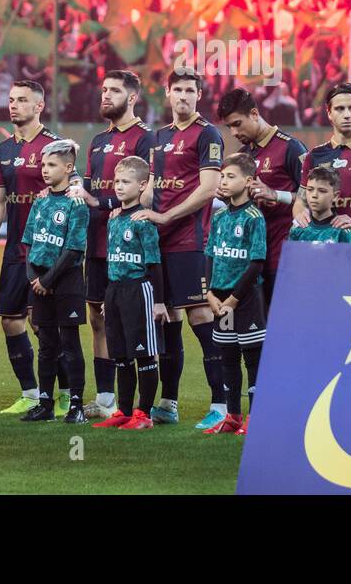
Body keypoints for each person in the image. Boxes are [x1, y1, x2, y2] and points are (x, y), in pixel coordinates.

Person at [133, 67, 226, 429]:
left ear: (199, 96)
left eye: (190, 90)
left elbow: (208, 189)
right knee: (167, 318)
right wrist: (134, 207)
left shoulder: (208, 134)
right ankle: (169, 403)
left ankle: (220, 403)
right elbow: (153, 184)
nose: (184, 96)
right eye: (178, 90)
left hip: (190, 240)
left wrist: (167, 215)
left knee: (200, 317)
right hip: (159, 241)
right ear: (167, 94)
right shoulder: (159, 137)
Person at [71, 70, 156, 420]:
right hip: (97, 244)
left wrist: (101, 205)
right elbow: (89, 190)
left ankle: (157, 403)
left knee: (140, 323)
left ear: (133, 97)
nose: (106, 95)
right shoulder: (97, 141)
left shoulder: (147, 139)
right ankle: (107, 399)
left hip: (130, 247)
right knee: (97, 317)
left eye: (115, 91)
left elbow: (148, 196)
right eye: (104, 89)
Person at [0, 80, 69, 416]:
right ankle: (31, 393)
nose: (14, 105)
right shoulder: (3, 151)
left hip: (45, 253)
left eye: (22, 100)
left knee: (43, 325)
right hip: (13, 250)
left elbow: (69, 195)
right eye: (11, 100)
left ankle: (66, 394)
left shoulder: (54, 147)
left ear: (39, 106)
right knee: (10, 320)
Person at [19, 139, 90, 424]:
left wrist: (48, 280)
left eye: (51, 165)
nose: (45, 170)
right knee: (47, 344)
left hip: (66, 281)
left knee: (70, 343)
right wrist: (34, 278)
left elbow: (74, 248)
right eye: (43, 164)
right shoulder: (41, 200)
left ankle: (76, 406)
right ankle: (45, 403)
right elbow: (29, 242)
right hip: (40, 282)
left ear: (68, 167)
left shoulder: (77, 203)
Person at [93, 155, 166, 430]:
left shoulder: (143, 222)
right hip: (114, 291)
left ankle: (143, 413)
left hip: (139, 290)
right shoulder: (114, 219)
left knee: (144, 353)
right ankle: (123, 410)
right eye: (117, 181)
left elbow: (155, 263)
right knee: (120, 354)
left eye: (126, 182)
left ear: (142, 185)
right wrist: (107, 296)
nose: (119, 186)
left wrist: (158, 302)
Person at [218, 86, 307, 308]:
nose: (234, 132)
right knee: (257, 333)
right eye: (229, 126)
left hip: (282, 256)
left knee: (283, 325)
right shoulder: (243, 155)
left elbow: (311, 199)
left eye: (237, 124)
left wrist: (276, 194)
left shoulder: (291, 148)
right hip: (251, 259)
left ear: (255, 114)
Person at [203, 153, 269, 436]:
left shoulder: (254, 217)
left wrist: (233, 299)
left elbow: (256, 263)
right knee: (227, 357)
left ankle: (256, 418)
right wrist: (208, 293)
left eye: (231, 176)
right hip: (219, 299)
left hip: (244, 299)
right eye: (223, 176)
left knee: (253, 359)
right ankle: (232, 416)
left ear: (248, 181)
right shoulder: (218, 216)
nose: (224, 181)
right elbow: (209, 255)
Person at [294, 82, 351, 238]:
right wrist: (300, 215)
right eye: (339, 109)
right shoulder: (314, 155)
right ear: (329, 113)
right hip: (321, 248)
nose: (347, 114)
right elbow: (300, 201)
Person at [288, 165, 351, 245]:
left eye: (322, 191)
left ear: (335, 196)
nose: (314, 195)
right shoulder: (298, 227)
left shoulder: (343, 230)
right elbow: (290, 256)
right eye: (310, 190)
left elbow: (347, 257)